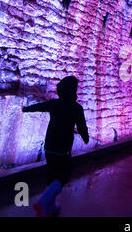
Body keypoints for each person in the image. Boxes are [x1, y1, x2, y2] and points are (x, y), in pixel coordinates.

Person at [22, 76, 89, 216]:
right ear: (73, 91)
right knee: (64, 176)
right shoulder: (76, 108)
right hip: (63, 148)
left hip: (49, 146)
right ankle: (43, 201)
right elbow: (82, 126)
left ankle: (50, 206)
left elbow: (40, 106)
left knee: (51, 175)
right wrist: (85, 137)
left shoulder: (54, 104)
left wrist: (26, 109)